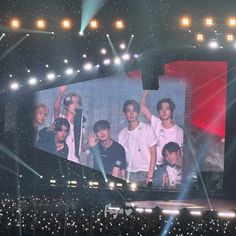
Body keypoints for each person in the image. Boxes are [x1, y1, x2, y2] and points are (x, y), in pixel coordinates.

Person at [140, 90, 184, 188]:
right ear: (158, 111)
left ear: (171, 111)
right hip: (154, 166)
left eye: (167, 109)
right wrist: (146, 91)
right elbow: (143, 108)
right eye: (161, 109)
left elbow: (180, 153)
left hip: (171, 167)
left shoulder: (178, 131)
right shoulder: (156, 122)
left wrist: (178, 169)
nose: (164, 111)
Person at [118, 99, 157, 187]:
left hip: (146, 172)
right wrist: (123, 175)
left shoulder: (147, 129)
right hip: (130, 173)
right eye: (129, 111)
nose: (132, 114)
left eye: (134, 111)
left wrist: (150, 176)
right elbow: (122, 157)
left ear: (138, 113)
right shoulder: (122, 134)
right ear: (124, 113)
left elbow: (153, 153)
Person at [54, 85, 84, 164]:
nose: (76, 105)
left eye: (77, 103)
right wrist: (61, 93)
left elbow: (78, 149)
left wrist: (89, 145)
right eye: (72, 103)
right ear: (66, 105)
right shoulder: (61, 119)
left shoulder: (79, 126)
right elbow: (56, 108)